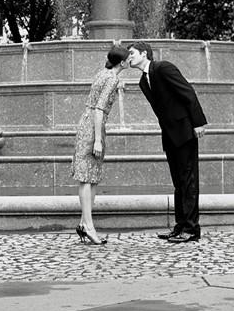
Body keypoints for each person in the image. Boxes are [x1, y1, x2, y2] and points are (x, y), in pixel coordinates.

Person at [128, 41, 207, 244]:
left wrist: (198, 123)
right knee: (178, 183)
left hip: (185, 131)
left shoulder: (163, 67)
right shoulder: (143, 82)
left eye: (132, 53)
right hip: (170, 135)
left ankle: (191, 229)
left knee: (188, 181)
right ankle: (180, 226)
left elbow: (187, 92)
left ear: (144, 54)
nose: (129, 57)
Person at [72, 44, 129, 245]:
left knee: (90, 175)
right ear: (122, 62)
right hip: (93, 125)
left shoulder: (102, 73)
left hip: (87, 123)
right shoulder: (113, 78)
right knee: (87, 177)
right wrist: (97, 138)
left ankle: (83, 223)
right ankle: (88, 226)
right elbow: (99, 109)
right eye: (128, 58)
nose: (130, 61)